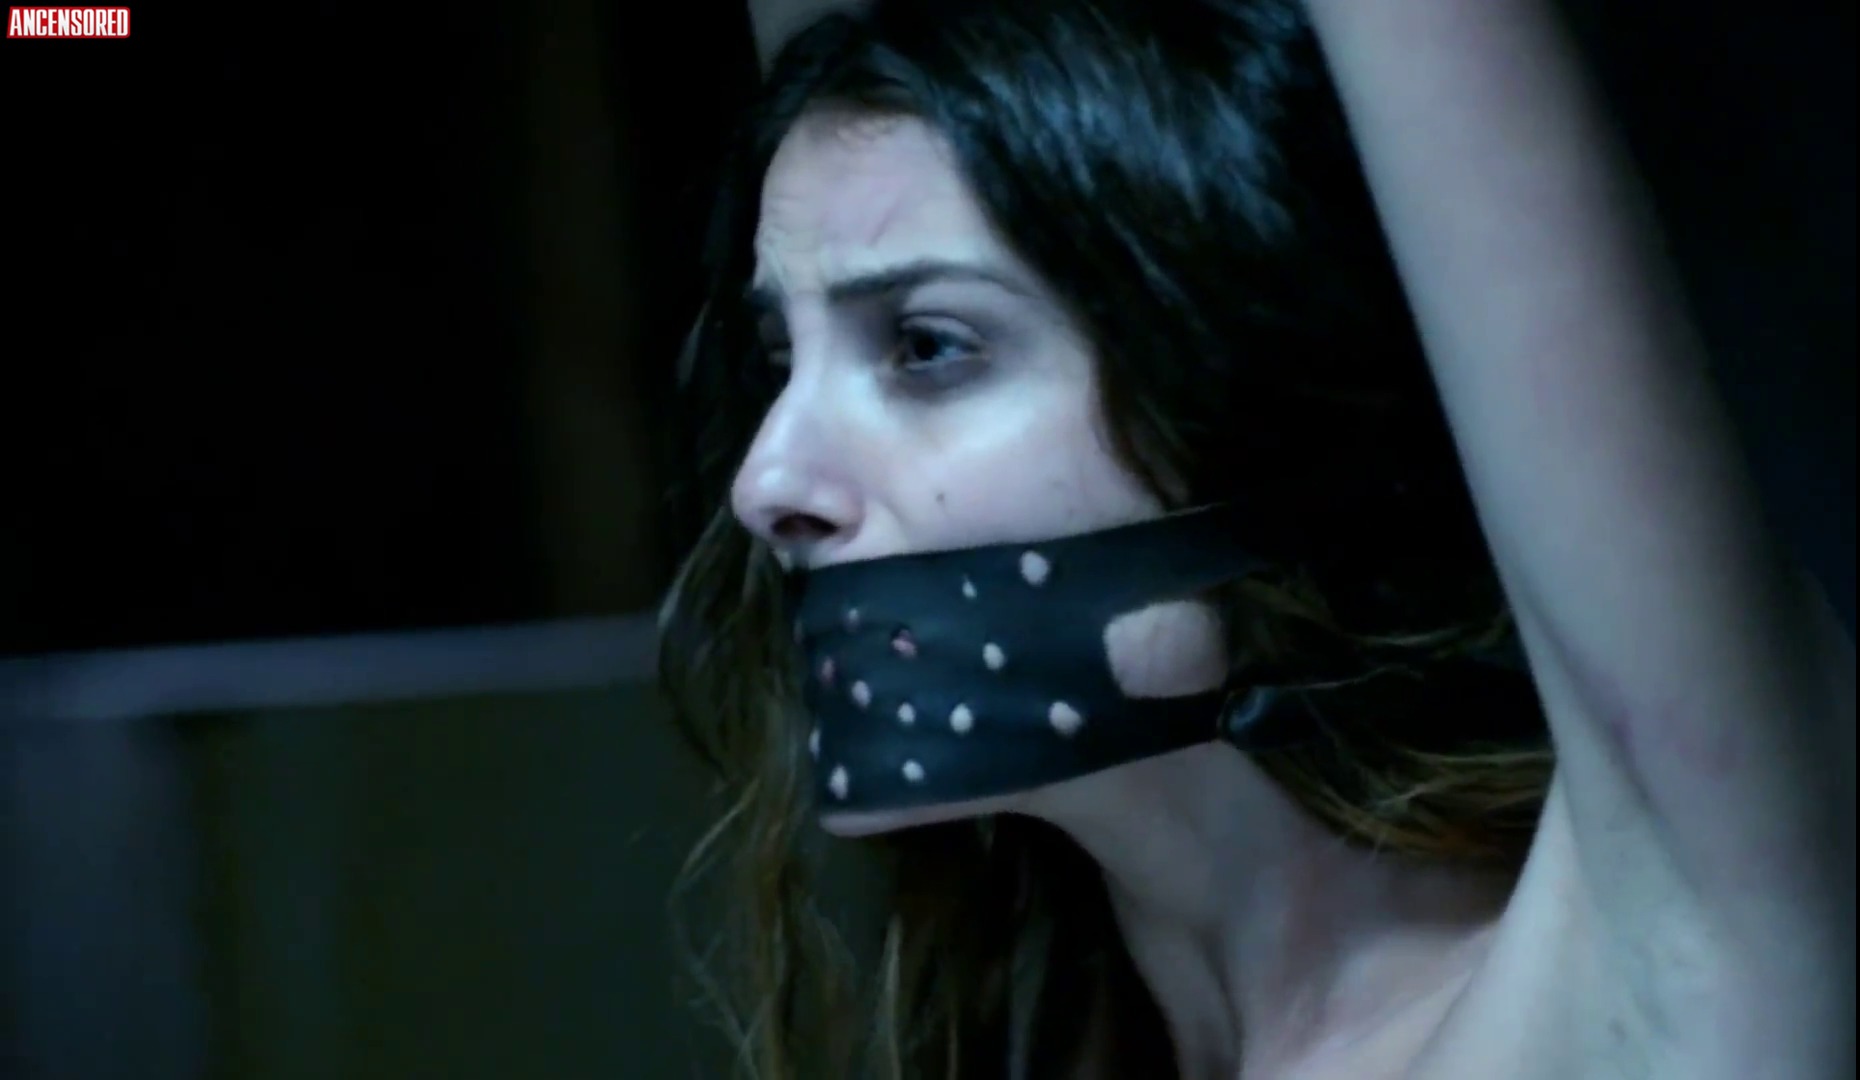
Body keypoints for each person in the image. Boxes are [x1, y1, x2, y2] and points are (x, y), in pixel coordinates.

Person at [658, 0, 1857, 1076]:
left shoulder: (1648, 984)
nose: (766, 484)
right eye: (780, 358)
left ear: (1244, 402)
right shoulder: (1022, 1013)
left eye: (927, 347)